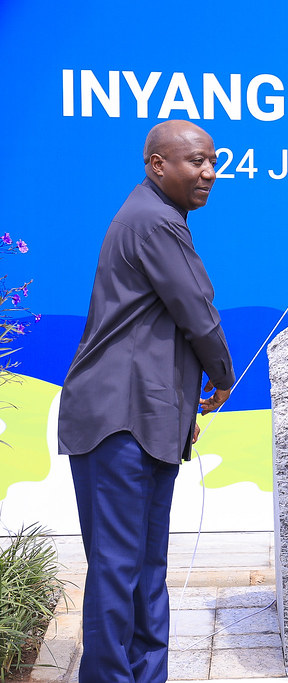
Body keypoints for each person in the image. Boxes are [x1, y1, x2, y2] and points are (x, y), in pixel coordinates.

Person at [57, 120, 234, 683]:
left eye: (212, 160)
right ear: (158, 165)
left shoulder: (154, 216)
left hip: (142, 417)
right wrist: (223, 377)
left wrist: (182, 413)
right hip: (118, 421)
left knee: (144, 568)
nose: (209, 172)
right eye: (195, 161)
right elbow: (196, 310)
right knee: (119, 568)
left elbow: (158, 332)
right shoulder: (155, 221)